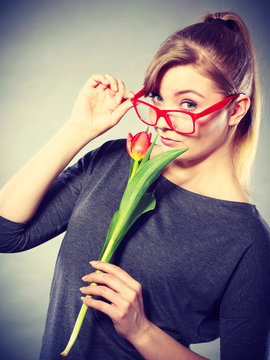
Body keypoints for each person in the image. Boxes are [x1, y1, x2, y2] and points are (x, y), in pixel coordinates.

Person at [0, 10, 269, 360]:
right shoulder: (114, 163)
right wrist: (77, 130)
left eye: (188, 103)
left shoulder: (247, 240)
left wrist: (142, 331)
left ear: (235, 111)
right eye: (157, 97)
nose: (161, 121)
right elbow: (6, 234)